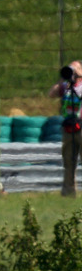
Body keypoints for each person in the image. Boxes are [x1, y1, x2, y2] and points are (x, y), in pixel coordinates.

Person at [49, 60, 82, 197]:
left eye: (75, 68)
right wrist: (63, 78)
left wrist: (79, 74)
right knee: (69, 161)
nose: (72, 71)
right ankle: (68, 192)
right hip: (68, 126)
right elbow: (51, 94)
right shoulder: (66, 86)